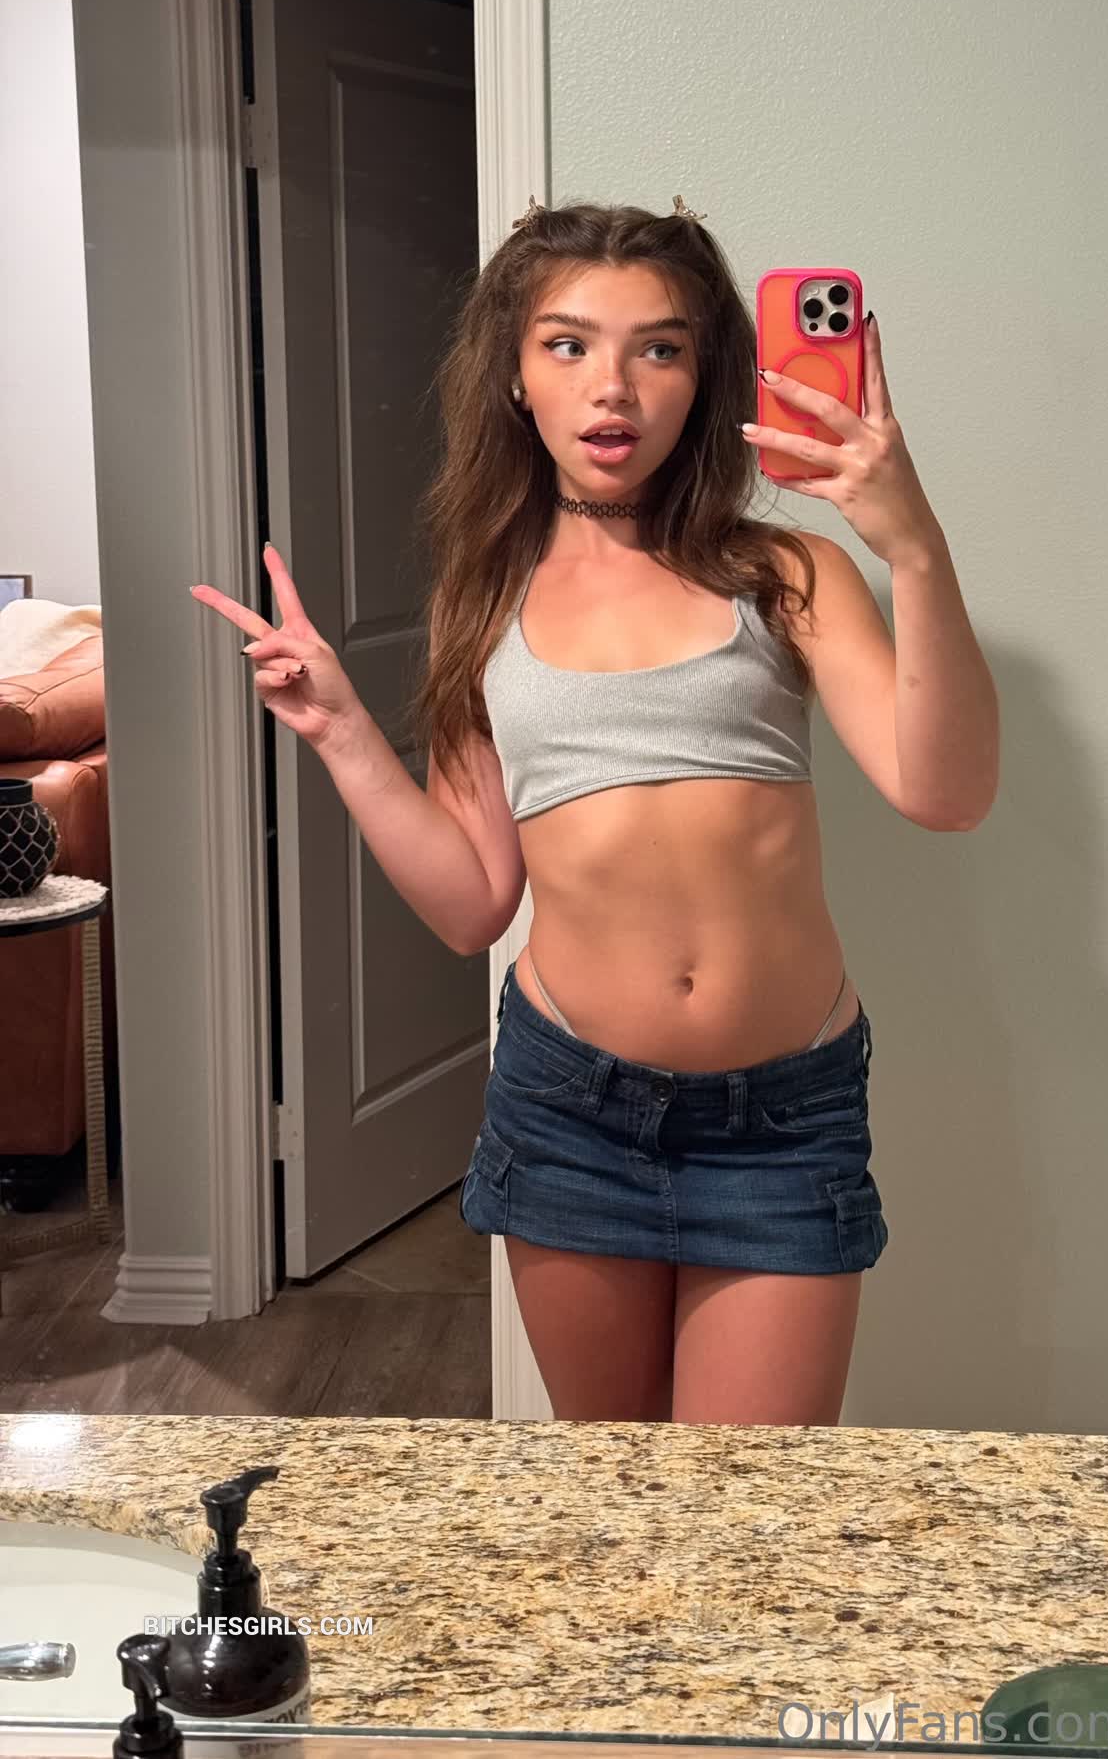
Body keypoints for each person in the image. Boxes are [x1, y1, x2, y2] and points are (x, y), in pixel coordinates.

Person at [192, 194, 998, 1425]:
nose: (611, 386)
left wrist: (916, 546)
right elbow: (474, 903)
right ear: (516, 377)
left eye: (658, 348)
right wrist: (343, 733)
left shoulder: (787, 573)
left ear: (702, 375)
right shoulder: (482, 600)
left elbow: (947, 793)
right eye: (567, 344)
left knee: (745, 1518)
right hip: (573, 1110)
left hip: (781, 1120)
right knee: (614, 1505)